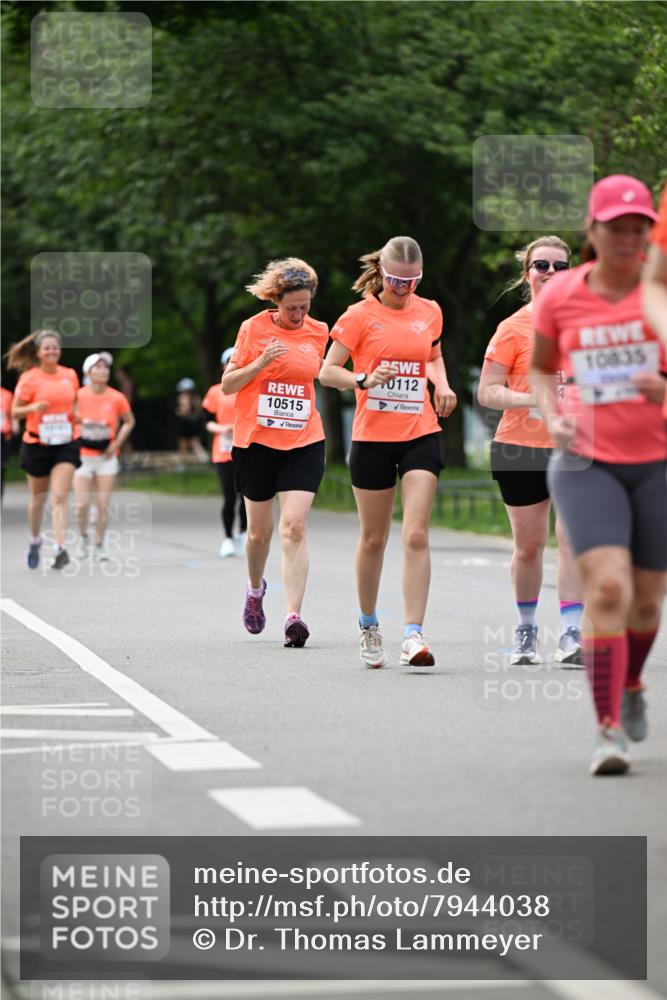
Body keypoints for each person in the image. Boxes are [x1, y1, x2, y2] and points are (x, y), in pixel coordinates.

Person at [531, 174, 666, 776]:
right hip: (586, 462)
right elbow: (540, 370)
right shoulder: (562, 297)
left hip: (657, 463)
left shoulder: (659, 297)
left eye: (640, 229)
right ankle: (607, 728)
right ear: (594, 232)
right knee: (608, 589)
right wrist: (553, 414)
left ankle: (632, 682)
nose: (628, 239)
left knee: (646, 602)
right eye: (617, 229)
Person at [319, 236, 457, 669]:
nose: (404, 289)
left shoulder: (429, 310)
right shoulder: (358, 316)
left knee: (416, 534)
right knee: (374, 538)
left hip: (420, 430)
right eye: (396, 280)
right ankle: (369, 625)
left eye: (412, 281)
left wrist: (443, 384)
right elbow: (327, 372)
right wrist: (362, 380)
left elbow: (432, 356)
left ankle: (414, 634)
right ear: (381, 272)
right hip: (373, 436)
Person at [478, 237, 584, 667]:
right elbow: (486, 391)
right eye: (541, 265)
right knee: (529, 546)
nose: (550, 272)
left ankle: (572, 633)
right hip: (519, 449)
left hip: (575, 447)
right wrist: (531, 399)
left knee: (573, 541)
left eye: (560, 266)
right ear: (528, 274)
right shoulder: (512, 328)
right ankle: (526, 629)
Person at [221, 258, 329, 647]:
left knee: (294, 528)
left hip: (303, 440)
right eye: (291, 308)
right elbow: (228, 386)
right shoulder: (253, 328)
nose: (299, 315)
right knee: (258, 534)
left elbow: (322, 373)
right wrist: (261, 362)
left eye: (305, 307)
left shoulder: (320, 332)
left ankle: (293, 617)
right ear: (276, 302)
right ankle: (255, 590)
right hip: (256, 443)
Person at [6, 329, 80, 570]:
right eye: (47, 348)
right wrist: (34, 407)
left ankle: (60, 547)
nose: (52, 351)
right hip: (37, 443)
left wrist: (77, 417)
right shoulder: (29, 378)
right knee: (39, 498)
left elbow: (75, 404)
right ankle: (35, 539)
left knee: (60, 496)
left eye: (55, 347)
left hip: (65, 442)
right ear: (38, 353)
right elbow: (14, 412)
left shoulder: (69, 375)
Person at [73, 353, 135, 561]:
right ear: (88, 372)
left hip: (106, 458)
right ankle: (82, 537)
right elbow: (68, 419)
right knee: (82, 505)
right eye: (97, 367)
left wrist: (116, 443)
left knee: (102, 504)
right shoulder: (78, 396)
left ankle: (99, 544)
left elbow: (129, 421)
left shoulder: (116, 397)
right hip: (82, 456)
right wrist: (79, 428)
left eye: (106, 368)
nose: (103, 371)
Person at [202, 347, 247, 557]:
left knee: (247, 494)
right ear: (223, 366)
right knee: (229, 496)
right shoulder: (215, 391)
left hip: (248, 447)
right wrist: (222, 429)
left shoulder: (250, 386)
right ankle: (228, 538)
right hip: (223, 450)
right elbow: (206, 422)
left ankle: (244, 533)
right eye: (230, 360)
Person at [175, 378, 208, 463]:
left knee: (183, 444)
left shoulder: (183, 397)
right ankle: (204, 459)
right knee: (195, 442)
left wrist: (179, 411)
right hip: (194, 422)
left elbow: (184, 411)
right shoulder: (196, 398)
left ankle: (182, 464)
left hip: (185, 423)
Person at [1, 383, 18, 499]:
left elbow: (12, 414)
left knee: (1, 468)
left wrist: (15, 425)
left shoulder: (6, 394)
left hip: (3, 435)